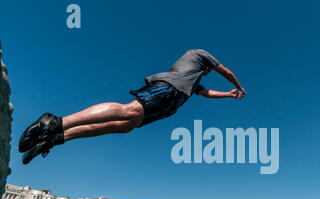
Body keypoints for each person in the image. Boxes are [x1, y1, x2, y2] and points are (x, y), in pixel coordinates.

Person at [19, 49, 246, 164]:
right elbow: (225, 71)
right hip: (167, 88)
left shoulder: (194, 81)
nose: (208, 72)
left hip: (170, 103)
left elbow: (206, 93)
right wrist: (238, 85)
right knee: (130, 110)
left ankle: (55, 138)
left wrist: (228, 94)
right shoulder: (198, 55)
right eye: (208, 69)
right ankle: (54, 122)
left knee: (125, 125)